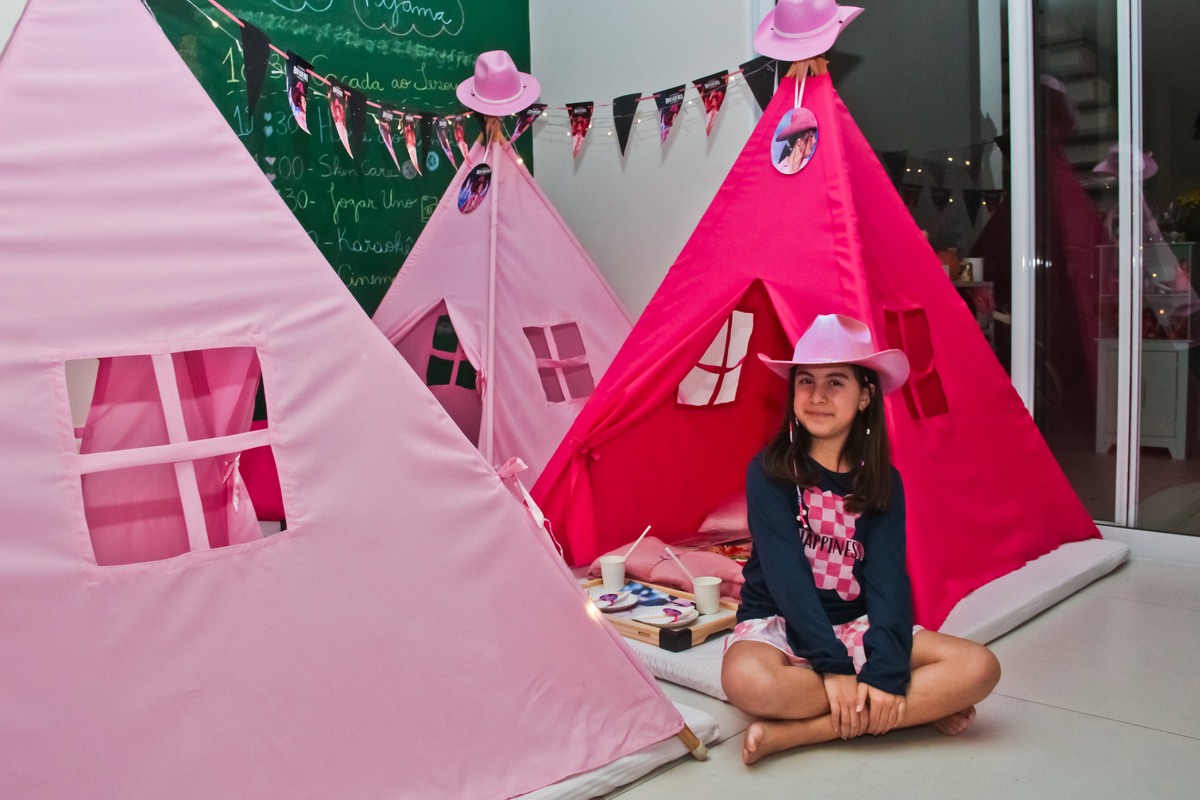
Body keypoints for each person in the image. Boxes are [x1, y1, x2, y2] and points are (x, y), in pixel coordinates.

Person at [721, 314, 1000, 765]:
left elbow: (888, 580)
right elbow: (787, 577)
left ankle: (805, 733)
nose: (817, 396)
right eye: (806, 381)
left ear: (865, 396)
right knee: (751, 684)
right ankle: (913, 707)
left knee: (979, 667)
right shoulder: (770, 471)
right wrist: (835, 669)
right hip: (782, 623)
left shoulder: (883, 482)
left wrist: (885, 670)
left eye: (836, 383)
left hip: (857, 627)